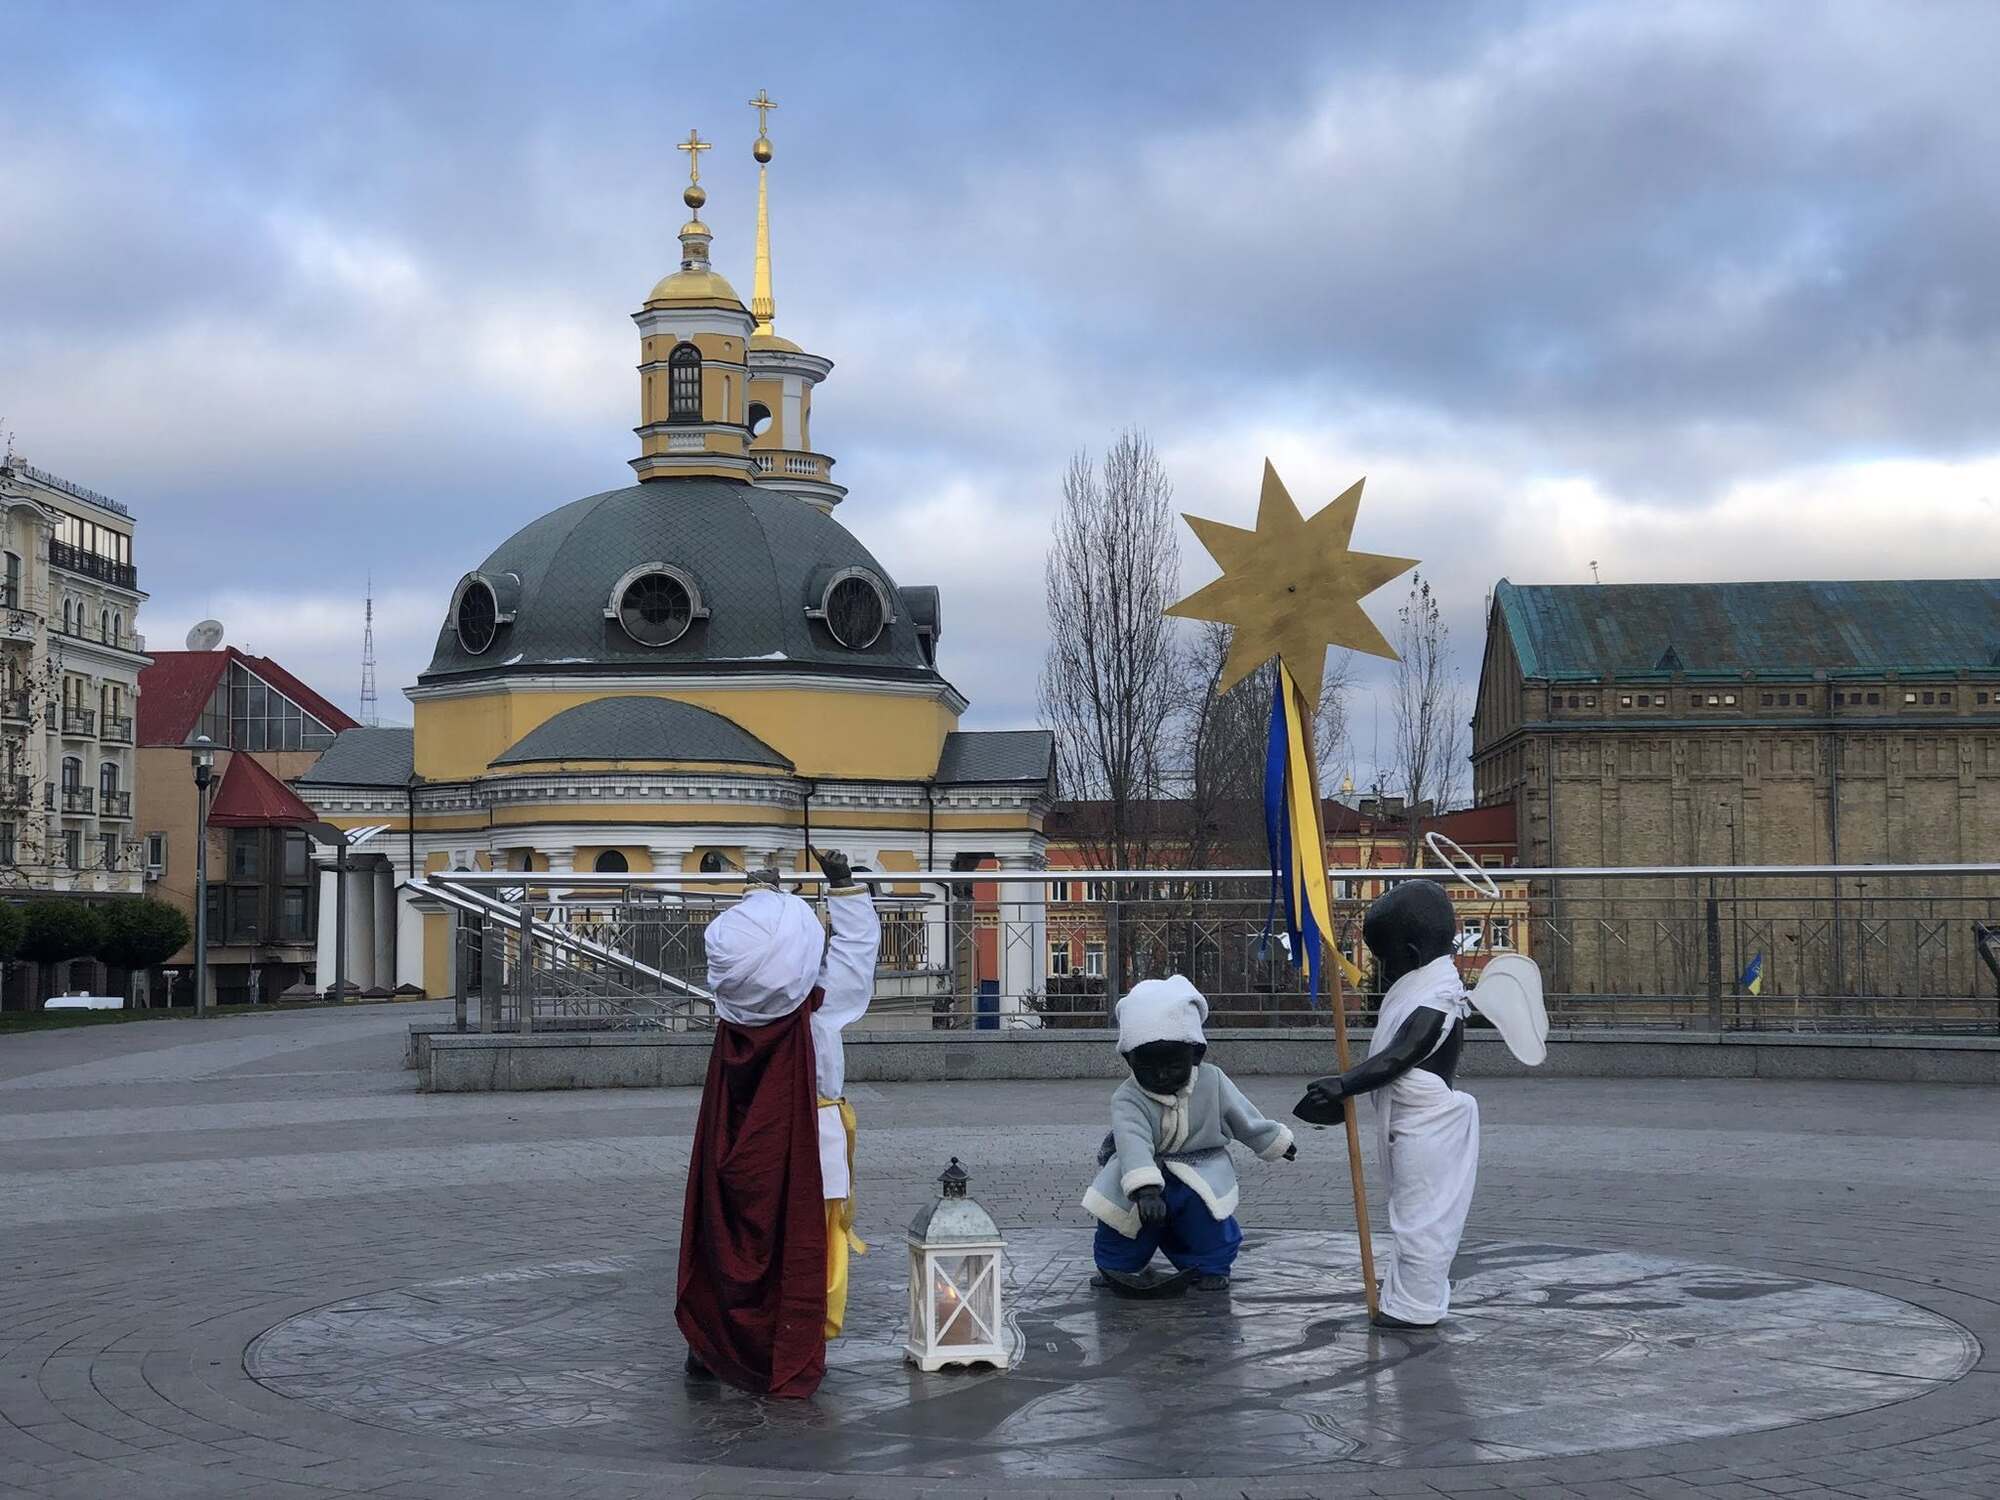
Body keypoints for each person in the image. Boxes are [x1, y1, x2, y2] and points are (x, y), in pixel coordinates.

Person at [675, 848, 879, 1397]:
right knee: (807, 1242)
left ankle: (711, 1338)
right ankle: (791, 1340)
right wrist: (846, 892)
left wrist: (760, 897)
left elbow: (758, 940)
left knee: (727, 1231)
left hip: (735, 1134)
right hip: (812, 1137)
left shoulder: (732, 1009)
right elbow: (855, 962)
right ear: (801, 952)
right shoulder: (816, 1011)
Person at [1296, 880, 1475, 1329]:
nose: (1380, 968)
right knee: (1410, 1210)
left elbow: (1400, 1056)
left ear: (1412, 955)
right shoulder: (1424, 988)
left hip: (1429, 1125)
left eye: (1383, 958)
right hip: (1410, 1122)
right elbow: (1389, 1061)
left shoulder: (1438, 1000)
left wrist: (1345, 1085)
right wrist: (1348, 1094)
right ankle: (1406, 1293)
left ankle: (1415, 1304)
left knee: (1422, 1216)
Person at [1083, 976, 1297, 1294]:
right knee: (1121, 1223)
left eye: (1172, 1066)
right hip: (1139, 1173)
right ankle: (1115, 1265)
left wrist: (1273, 1141)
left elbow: (1243, 1117)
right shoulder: (1127, 1097)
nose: (1160, 1075)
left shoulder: (1213, 1081)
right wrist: (1146, 1191)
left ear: (1196, 1055)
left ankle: (1211, 1266)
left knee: (1208, 1223)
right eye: (1148, 1067)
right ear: (1129, 1060)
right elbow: (1133, 1143)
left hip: (1202, 1168)